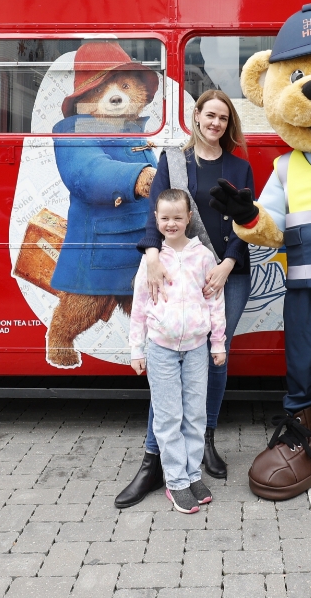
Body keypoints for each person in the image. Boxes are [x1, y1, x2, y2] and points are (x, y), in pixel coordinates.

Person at [115, 90, 254, 508]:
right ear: (196, 116)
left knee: (215, 357)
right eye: (209, 115)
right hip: (178, 271)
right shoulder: (173, 160)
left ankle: (204, 441)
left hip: (226, 274)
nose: (215, 123)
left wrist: (226, 265)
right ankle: (152, 460)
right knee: (168, 369)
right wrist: (153, 257)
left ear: (229, 125)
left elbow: (248, 223)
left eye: (223, 118)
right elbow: (154, 214)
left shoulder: (240, 166)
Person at [129, 188, 227, 513]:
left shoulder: (203, 256)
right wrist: (136, 350)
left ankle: (192, 473)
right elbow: (140, 307)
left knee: (195, 414)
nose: (171, 224)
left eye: (177, 217)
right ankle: (175, 481)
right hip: (161, 349)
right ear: (156, 219)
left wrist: (218, 342)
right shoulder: (151, 260)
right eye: (165, 218)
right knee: (169, 415)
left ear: (189, 218)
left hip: (197, 348)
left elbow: (215, 300)